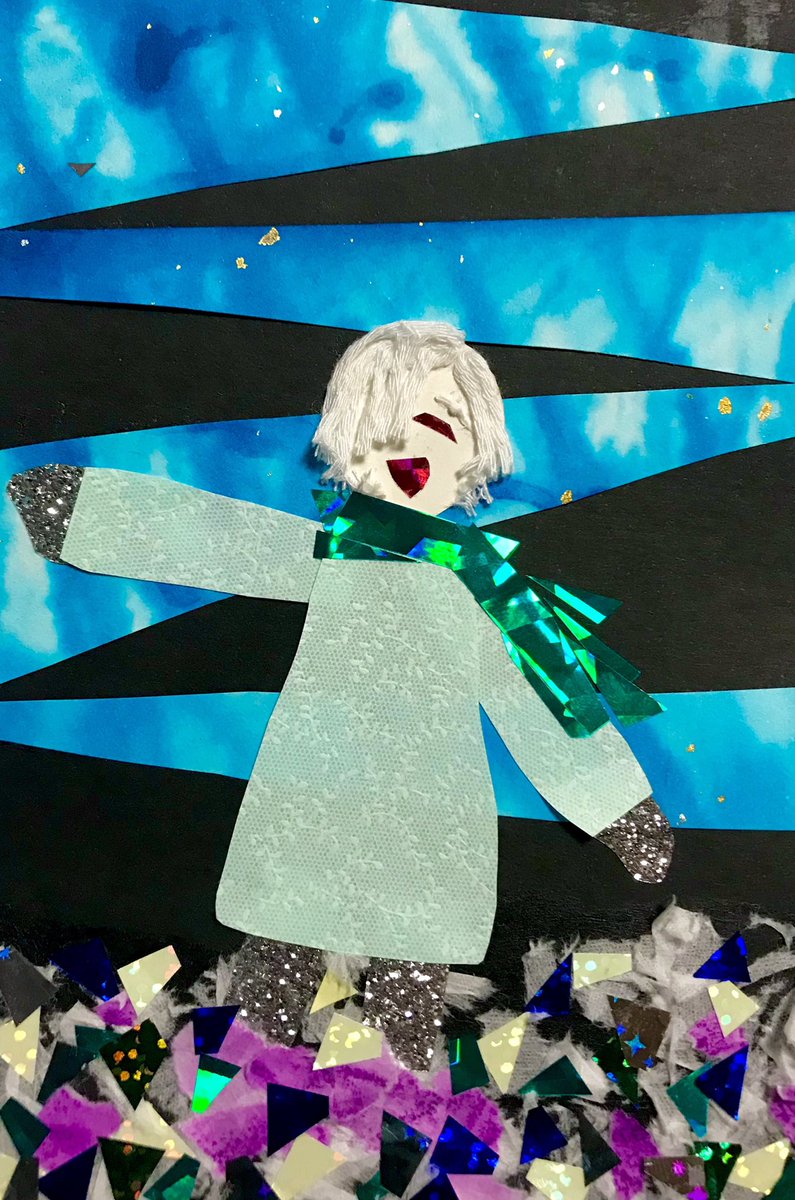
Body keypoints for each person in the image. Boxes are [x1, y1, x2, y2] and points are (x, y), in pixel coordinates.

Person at [7, 320, 672, 972]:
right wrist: (81, 512)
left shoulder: (486, 586)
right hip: (316, 789)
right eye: (396, 424)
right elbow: (222, 538)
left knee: (406, 974)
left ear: (474, 458)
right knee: (281, 956)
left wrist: (619, 809)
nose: (418, 445)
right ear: (352, 443)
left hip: (429, 810)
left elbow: (538, 703)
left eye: (447, 424)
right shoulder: (342, 551)